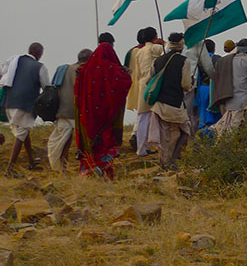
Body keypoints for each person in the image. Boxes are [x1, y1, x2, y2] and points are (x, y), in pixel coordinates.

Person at [74, 39, 131, 179]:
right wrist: (127, 73)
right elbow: (125, 83)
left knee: (91, 145)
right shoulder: (113, 69)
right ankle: (101, 169)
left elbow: (77, 89)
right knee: (105, 143)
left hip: (88, 116)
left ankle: (88, 171)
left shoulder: (84, 70)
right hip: (106, 117)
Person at [1, 43, 50, 175]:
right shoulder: (40, 67)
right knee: (21, 134)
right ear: (39, 53)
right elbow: (46, 87)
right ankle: (10, 169)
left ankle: (31, 161)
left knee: (23, 131)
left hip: (9, 102)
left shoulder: (14, 61)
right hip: (25, 104)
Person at [150, 34, 194, 169]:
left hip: (159, 105)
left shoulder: (158, 61)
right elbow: (186, 85)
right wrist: (191, 82)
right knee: (183, 132)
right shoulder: (183, 61)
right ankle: (171, 161)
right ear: (181, 46)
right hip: (175, 104)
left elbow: (151, 78)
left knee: (165, 136)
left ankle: (164, 162)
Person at [48, 48, 91, 172]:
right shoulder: (84, 70)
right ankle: (85, 168)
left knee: (63, 142)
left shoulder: (64, 69)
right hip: (78, 112)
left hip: (62, 110)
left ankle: (62, 168)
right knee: (83, 143)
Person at [212, 39, 247, 133]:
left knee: (228, 124)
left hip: (228, 97)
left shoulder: (228, 60)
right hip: (243, 99)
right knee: (237, 127)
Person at [132, 28, 164, 156]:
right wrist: (163, 43)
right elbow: (171, 49)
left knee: (143, 118)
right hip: (153, 84)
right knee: (152, 117)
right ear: (154, 37)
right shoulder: (154, 48)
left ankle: (142, 148)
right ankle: (144, 148)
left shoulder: (139, 52)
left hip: (142, 84)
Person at [183, 39, 215, 133]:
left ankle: (194, 135)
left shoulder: (194, 60)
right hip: (210, 89)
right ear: (213, 49)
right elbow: (210, 71)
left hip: (199, 89)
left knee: (194, 114)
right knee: (207, 114)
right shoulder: (215, 58)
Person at [194, 40, 222, 130]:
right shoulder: (217, 58)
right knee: (214, 114)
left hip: (201, 89)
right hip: (214, 89)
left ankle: (202, 131)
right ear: (213, 49)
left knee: (203, 112)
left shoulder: (198, 60)